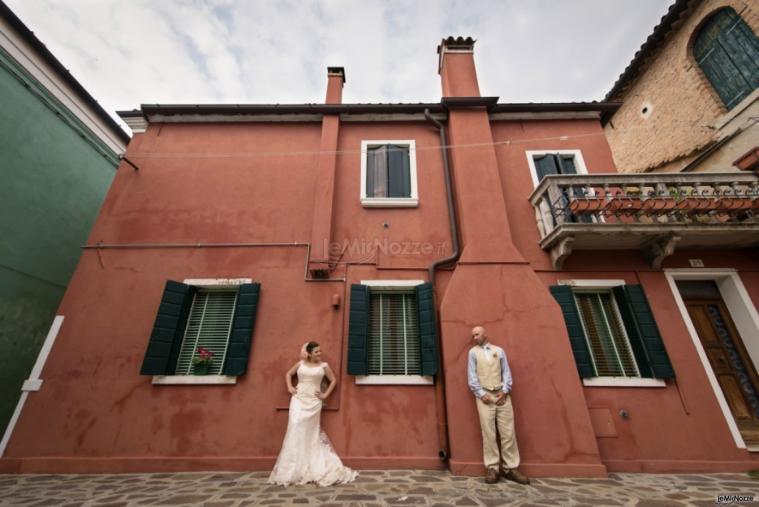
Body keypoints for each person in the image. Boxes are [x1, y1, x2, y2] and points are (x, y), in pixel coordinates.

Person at [268, 341, 357, 486]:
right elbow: (288, 374)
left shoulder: (324, 366)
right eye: (316, 352)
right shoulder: (300, 364)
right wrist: (290, 387)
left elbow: (333, 380)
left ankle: (311, 464)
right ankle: (291, 467)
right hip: (298, 399)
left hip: (314, 402)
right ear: (308, 353)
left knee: (310, 433)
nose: (319, 354)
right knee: (295, 427)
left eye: (320, 351)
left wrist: (325, 395)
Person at [467, 326, 530, 485]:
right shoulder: (473, 353)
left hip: (502, 395)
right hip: (484, 396)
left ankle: (511, 468)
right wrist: (481, 394)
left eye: (477, 334)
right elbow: (472, 376)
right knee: (488, 433)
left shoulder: (499, 351)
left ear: (485, 334)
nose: (475, 338)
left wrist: (505, 391)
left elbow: (506, 372)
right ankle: (492, 468)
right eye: (473, 336)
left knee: (508, 432)